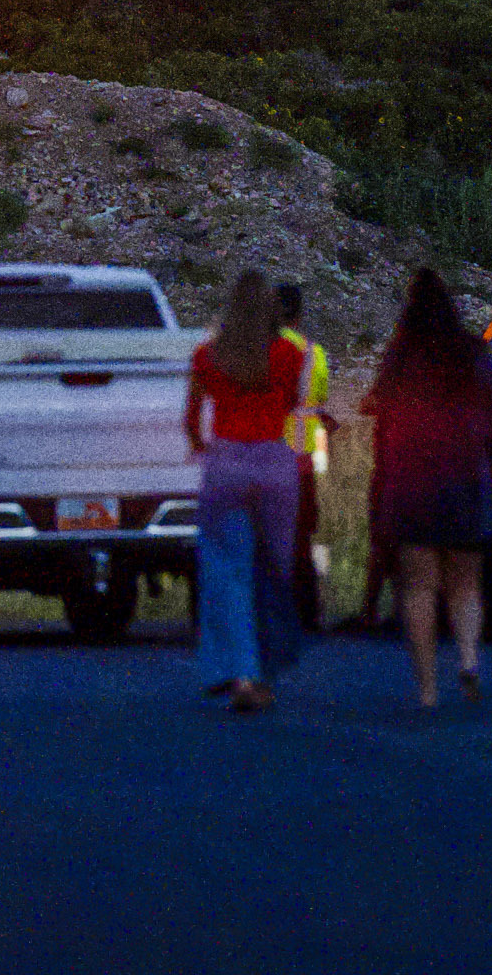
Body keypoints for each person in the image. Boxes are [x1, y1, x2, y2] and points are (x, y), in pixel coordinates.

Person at [364, 267, 492, 707]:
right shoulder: (471, 351)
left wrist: (380, 487)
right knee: (466, 582)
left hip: (412, 484)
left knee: (419, 586)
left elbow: (380, 418)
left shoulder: (401, 357)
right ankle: (469, 661)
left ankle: (427, 689)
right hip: (465, 479)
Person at [184, 269, 307, 713]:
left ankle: (239, 672)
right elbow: (292, 403)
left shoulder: (207, 355)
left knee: (225, 569)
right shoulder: (290, 354)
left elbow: (192, 417)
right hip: (274, 463)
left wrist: (202, 447)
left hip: (227, 462)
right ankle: (268, 669)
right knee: (273, 568)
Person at [273, 283, 335, 633]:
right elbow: (320, 399)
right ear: (299, 312)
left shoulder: (266, 348)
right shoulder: (315, 351)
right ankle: (309, 607)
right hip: (307, 456)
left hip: (272, 453)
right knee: (304, 535)